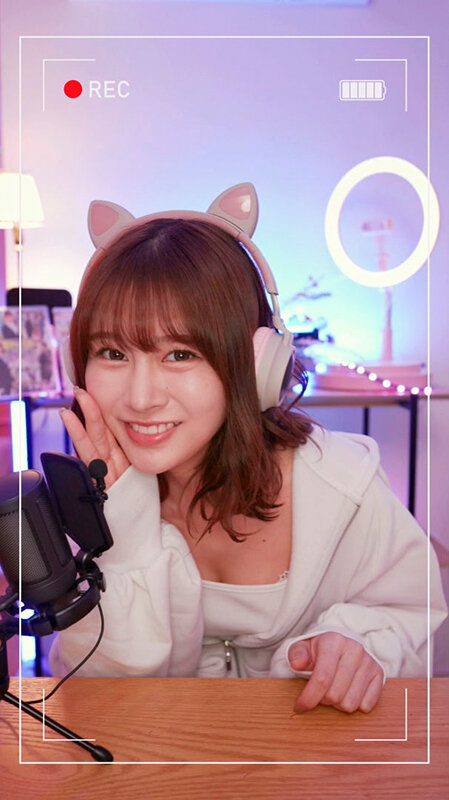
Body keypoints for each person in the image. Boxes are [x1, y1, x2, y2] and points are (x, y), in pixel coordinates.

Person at [49, 183, 447, 715]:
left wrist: (359, 642)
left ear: (257, 363)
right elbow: (97, 690)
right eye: (113, 353)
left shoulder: (341, 485)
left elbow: (411, 612)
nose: (141, 399)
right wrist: (126, 537)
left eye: (181, 354)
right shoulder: (86, 505)